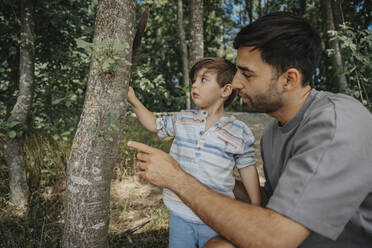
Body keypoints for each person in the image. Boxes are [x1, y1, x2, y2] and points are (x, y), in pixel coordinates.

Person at [128, 12, 372, 247]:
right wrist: (216, 175)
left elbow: (273, 239)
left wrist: (176, 178)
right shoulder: (272, 134)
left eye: (247, 74)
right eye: (237, 71)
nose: (235, 83)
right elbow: (272, 205)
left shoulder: (336, 125)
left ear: (289, 79)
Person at [127, 57, 261, 248]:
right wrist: (133, 100)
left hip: (217, 215)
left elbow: (247, 169)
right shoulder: (183, 119)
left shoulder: (238, 131)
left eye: (203, 80)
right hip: (180, 214)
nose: (195, 86)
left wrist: (256, 207)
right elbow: (154, 125)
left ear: (225, 90)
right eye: (194, 81)